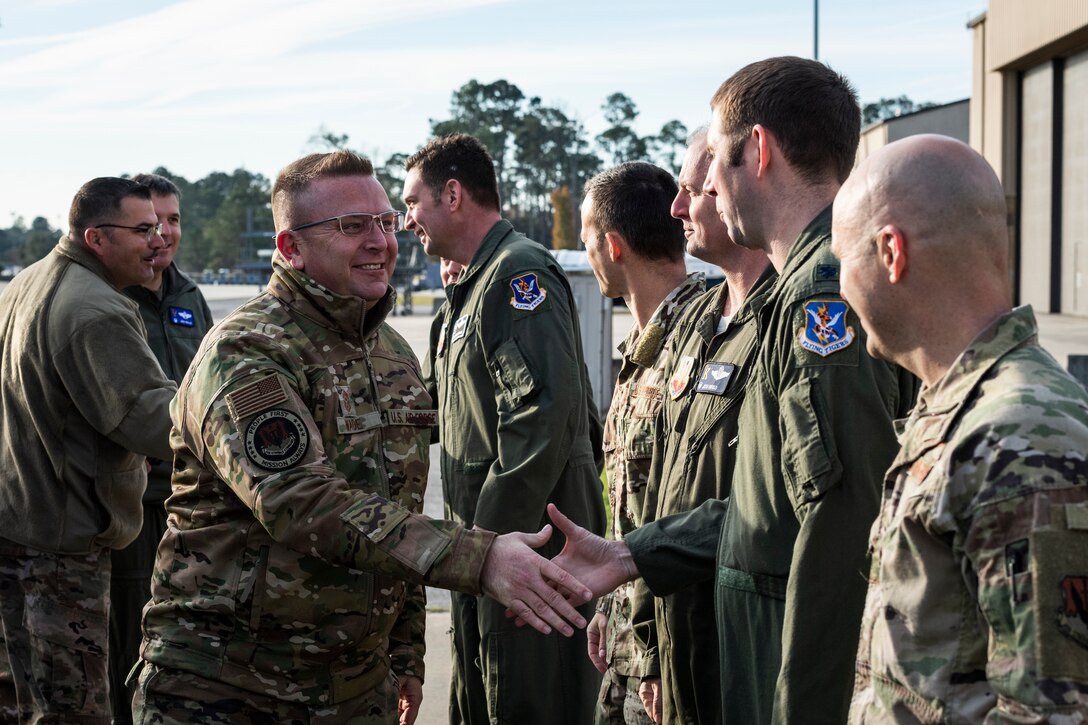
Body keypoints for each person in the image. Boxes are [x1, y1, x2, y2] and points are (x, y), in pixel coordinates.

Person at [134, 150, 593, 725]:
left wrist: (405, 653)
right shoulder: (247, 351)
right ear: (291, 248)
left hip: (356, 687)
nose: (381, 242)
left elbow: (396, 506)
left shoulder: (391, 354)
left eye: (386, 221)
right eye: (352, 226)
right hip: (232, 687)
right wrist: (477, 557)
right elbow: (300, 501)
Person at [545, 56, 917, 724]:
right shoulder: (795, 292)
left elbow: (838, 529)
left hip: (781, 677)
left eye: (715, 159)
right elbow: (762, 504)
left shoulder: (820, 298)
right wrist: (632, 553)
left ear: (759, 149)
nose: (706, 186)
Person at [831, 135, 1088, 721]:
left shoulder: (1020, 437)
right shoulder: (961, 412)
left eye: (842, 259)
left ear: (891, 252)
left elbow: (1051, 712)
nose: (840, 288)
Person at [404, 133, 606, 725]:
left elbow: (540, 418)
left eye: (412, 202)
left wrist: (486, 543)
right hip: (490, 557)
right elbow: (433, 407)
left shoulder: (518, 273)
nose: (407, 220)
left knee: (526, 700)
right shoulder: (468, 290)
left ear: (452, 194)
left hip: (527, 553)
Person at [0, 177, 177, 723]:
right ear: (96, 238)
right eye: (142, 230)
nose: (158, 241)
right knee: (71, 708)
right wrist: (227, 400)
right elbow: (154, 422)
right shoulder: (97, 309)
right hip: (61, 546)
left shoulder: (26, 282)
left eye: (159, 227)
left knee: (23, 701)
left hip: (19, 524)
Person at [627, 128, 774, 725]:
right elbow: (658, 489)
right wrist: (649, 641)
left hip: (744, 645)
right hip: (678, 633)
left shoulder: (788, 321)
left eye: (694, 190)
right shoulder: (696, 320)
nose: (676, 208)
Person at [579, 162, 704, 725]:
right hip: (627, 636)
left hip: (667, 647)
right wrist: (609, 608)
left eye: (587, 240)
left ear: (612, 246)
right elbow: (630, 504)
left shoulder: (700, 342)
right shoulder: (645, 347)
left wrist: (654, 651)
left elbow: (684, 509)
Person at [109, 172, 214, 723]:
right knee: (129, 640)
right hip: (135, 503)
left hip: (190, 500)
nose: (164, 233)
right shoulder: (110, 298)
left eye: (174, 220)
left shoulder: (190, 296)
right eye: (152, 223)